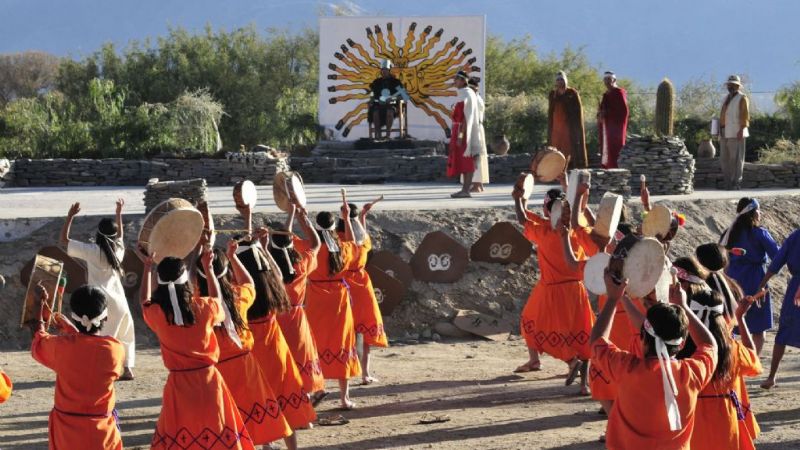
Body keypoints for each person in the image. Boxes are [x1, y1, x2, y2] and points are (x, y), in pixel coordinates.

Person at [591, 269, 718, 450]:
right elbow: (710, 345)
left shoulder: (626, 367)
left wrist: (613, 298)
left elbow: (597, 341)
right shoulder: (692, 372)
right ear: (681, 345)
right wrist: (684, 307)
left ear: (642, 337)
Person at [141, 253, 253, 450]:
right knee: (218, 436)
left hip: (179, 385)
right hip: (209, 381)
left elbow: (144, 300)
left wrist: (147, 267)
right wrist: (209, 269)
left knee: (181, 438)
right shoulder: (203, 307)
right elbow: (217, 300)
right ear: (185, 280)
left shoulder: (158, 314)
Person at [196, 242, 294, 449]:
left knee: (228, 418)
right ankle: (269, 443)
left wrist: (202, 267)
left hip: (217, 370)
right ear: (227, 272)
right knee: (259, 409)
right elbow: (249, 282)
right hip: (245, 365)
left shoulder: (197, 306)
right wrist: (233, 256)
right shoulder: (239, 298)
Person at [235, 205, 317, 431]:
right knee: (287, 378)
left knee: (261, 386)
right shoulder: (278, 280)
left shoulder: (241, 290)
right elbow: (315, 245)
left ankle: (267, 435)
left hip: (253, 341)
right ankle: (299, 418)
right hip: (281, 331)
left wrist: (250, 223)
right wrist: (300, 218)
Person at [512, 184, 594, 395]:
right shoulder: (577, 229)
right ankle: (583, 383)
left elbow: (524, 220)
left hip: (552, 290)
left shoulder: (545, 233)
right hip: (577, 290)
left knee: (536, 324)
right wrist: (581, 194)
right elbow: (584, 215)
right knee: (579, 333)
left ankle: (569, 361)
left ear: (549, 210)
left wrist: (518, 199)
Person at [30, 285, 125, 449]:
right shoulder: (115, 349)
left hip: (67, 433)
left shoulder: (61, 347)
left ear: (74, 317)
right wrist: (72, 331)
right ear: (105, 318)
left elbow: (39, 339)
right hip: (101, 432)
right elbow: (89, 349)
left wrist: (39, 305)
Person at [60, 200, 135, 380]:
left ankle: (105, 368)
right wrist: (119, 212)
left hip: (100, 304)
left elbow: (63, 241)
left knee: (101, 340)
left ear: (98, 234)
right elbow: (120, 236)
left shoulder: (91, 250)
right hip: (120, 302)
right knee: (125, 335)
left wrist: (70, 217)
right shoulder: (118, 250)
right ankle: (128, 368)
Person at [681, 290, 762, 450]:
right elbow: (754, 362)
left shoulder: (679, 347)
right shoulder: (732, 348)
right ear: (721, 317)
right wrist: (740, 318)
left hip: (689, 416)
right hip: (725, 418)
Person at [305, 205, 362, 409]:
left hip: (316, 300)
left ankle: (315, 390)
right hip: (339, 300)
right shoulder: (343, 247)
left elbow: (288, 242)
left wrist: (299, 215)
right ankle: (344, 398)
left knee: (314, 344)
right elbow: (354, 244)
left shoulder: (310, 247)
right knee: (342, 344)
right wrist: (346, 219)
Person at [271, 206, 327, 404]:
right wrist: (303, 220)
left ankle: (289, 404)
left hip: (276, 320)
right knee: (302, 358)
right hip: (297, 318)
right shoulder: (301, 266)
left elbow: (277, 245)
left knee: (283, 362)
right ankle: (306, 401)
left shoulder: (269, 269)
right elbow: (316, 244)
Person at [338, 202, 389, 385]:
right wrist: (362, 217)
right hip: (361, 285)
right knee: (364, 333)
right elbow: (361, 235)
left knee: (346, 333)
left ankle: (347, 374)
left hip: (344, 285)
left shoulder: (338, 239)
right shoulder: (364, 241)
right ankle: (365, 373)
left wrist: (359, 217)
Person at [720, 198, 779, 354]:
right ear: (753, 212)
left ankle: (733, 360)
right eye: (759, 210)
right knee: (758, 329)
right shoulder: (760, 233)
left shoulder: (729, 233)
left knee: (731, 324)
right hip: (755, 281)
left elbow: (721, 258)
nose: (761, 213)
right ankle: (753, 361)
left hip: (732, 283)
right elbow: (778, 256)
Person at [754, 228, 800, 390]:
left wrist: (761, 284)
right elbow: (777, 261)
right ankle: (771, 376)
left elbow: (776, 263)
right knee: (783, 332)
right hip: (796, 289)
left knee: (783, 332)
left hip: (796, 289)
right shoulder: (795, 236)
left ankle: (772, 376)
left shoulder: (795, 236)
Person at [447, 70, 482, 198]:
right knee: (465, 160)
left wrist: (461, 136)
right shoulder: (464, 94)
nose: (454, 81)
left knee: (467, 160)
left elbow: (466, 118)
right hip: (460, 130)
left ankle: (466, 190)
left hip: (464, 131)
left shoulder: (467, 94)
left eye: (456, 79)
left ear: (463, 81)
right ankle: (464, 189)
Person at [548, 71, 588, 169]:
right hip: (556, 129)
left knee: (569, 149)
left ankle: (570, 168)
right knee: (555, 150)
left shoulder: (572, 93)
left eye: (562, 79)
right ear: (555, 82)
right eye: (558, 80)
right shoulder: (553, 94)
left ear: (565, 80)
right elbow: (550, 112)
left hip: (568, 128)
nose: (560, 82)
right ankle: (556, 170)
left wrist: (576, 128)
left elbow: (578, 112)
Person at [718, 75, 750, 190]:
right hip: (724, 131)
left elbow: (745, 115)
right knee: (724, 159)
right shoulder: (726, 98)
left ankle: (736, 183)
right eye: (729, 84)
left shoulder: (742, 98)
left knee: (736, 159)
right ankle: (727, 183)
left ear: (737, 86)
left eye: (732, 85)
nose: (730, 86)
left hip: (737, 131)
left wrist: (742, 129)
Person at [368, 59, 408, 139]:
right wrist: (371, 100)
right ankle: (378, 136)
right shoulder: (377, 82)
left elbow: (404, 96)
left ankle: (387, 135)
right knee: (375, 112)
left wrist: (393, 98)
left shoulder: (395, 82)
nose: (384, 71)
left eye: (385, 70)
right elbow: (372, 93)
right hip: (379, 105)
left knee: (389, 111)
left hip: (392, 105)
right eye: (382, 70)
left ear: (389, 70)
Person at [597, 71, 629, 169]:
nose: (606, 82)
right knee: (607, 149)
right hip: (607, 127)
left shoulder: (619, 93)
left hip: (616, 129)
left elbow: (624, 112)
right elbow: (603, 108)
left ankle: (615, 169)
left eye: (609, 79)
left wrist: (607, 113)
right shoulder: (606, 94)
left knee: (615, 149)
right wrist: (600, 114)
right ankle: (607, 168)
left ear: (614, 80)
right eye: (605, 79)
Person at [466, 76, 489, 192]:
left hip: (475, 127)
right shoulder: (478, 98)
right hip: (478, 127)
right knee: (479, 155)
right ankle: (479, 183)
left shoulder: (474, 98)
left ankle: (476, 183)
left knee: (475, 155)